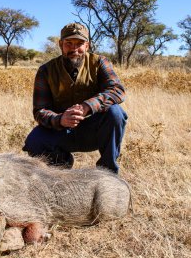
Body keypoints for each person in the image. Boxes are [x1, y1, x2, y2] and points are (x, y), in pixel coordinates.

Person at [22, 22, 127, 174]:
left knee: (116, 114)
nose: (74, 49)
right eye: (69, 43)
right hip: (61, 130)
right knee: (34, 141)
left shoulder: (99, 63)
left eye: (79, 44)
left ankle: (108, 173)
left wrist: (87, 107)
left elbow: (117, 90)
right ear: (60, 44)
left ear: (87, 45)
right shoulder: (46, 70)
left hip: (94, 130)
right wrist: (60, 119)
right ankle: (61, 165)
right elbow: (39, 111)